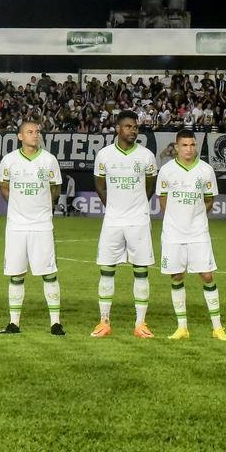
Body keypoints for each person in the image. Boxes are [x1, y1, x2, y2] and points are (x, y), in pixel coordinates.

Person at [91, 110, 157, 338]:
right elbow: (99, 184)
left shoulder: (146, 156)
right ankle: (104, 321)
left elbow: (150, 185)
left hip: (138, 220)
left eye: (135, 126)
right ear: (118, 128)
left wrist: (137, 206)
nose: (133, 130)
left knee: (141, 271)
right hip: (113, 220)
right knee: (107, 270)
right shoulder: (105, 155)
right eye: (128, 126)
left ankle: (140, 323)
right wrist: (113, 206)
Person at [156, 129, 226, 340]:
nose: (189, 149)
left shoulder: (205, 170)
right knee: (177, 276)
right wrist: (176, 217)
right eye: (185, 145)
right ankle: (182, 327)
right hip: (173, 233)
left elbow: (209, 200)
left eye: (192, 145)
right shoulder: (167, 171)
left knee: (207, 275)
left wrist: (195, 215)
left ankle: (217, 327)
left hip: (198, 232)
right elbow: (162, 200)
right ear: (176, 147)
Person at [0, 119, 64, 335]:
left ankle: (55, 323)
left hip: (42, 225)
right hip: (16, 226)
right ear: (20, 136)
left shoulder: (49, 160)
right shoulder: (9, 161)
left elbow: (56, 188)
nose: (35, 135)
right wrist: (18, 207)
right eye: (30, 131)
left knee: (49, 273)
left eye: (37, 131)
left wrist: (45, 209)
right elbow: (4, 187)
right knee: (16, 274)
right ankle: (13, 323)